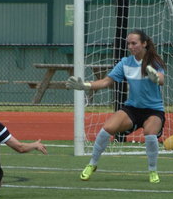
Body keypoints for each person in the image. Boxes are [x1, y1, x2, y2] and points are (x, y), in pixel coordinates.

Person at [66, 29, 166, 183]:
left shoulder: (155, 62)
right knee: (107, 128)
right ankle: (92, 164)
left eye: (134, 43)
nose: (130, 46)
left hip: (153, 110)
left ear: (144, 43)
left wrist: (155, 77)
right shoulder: (125, 62)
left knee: (150, 133)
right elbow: (106, 82)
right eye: (128, 44)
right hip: (132, 109)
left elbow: (161, 79)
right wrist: (85, 85)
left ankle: (152, 170)